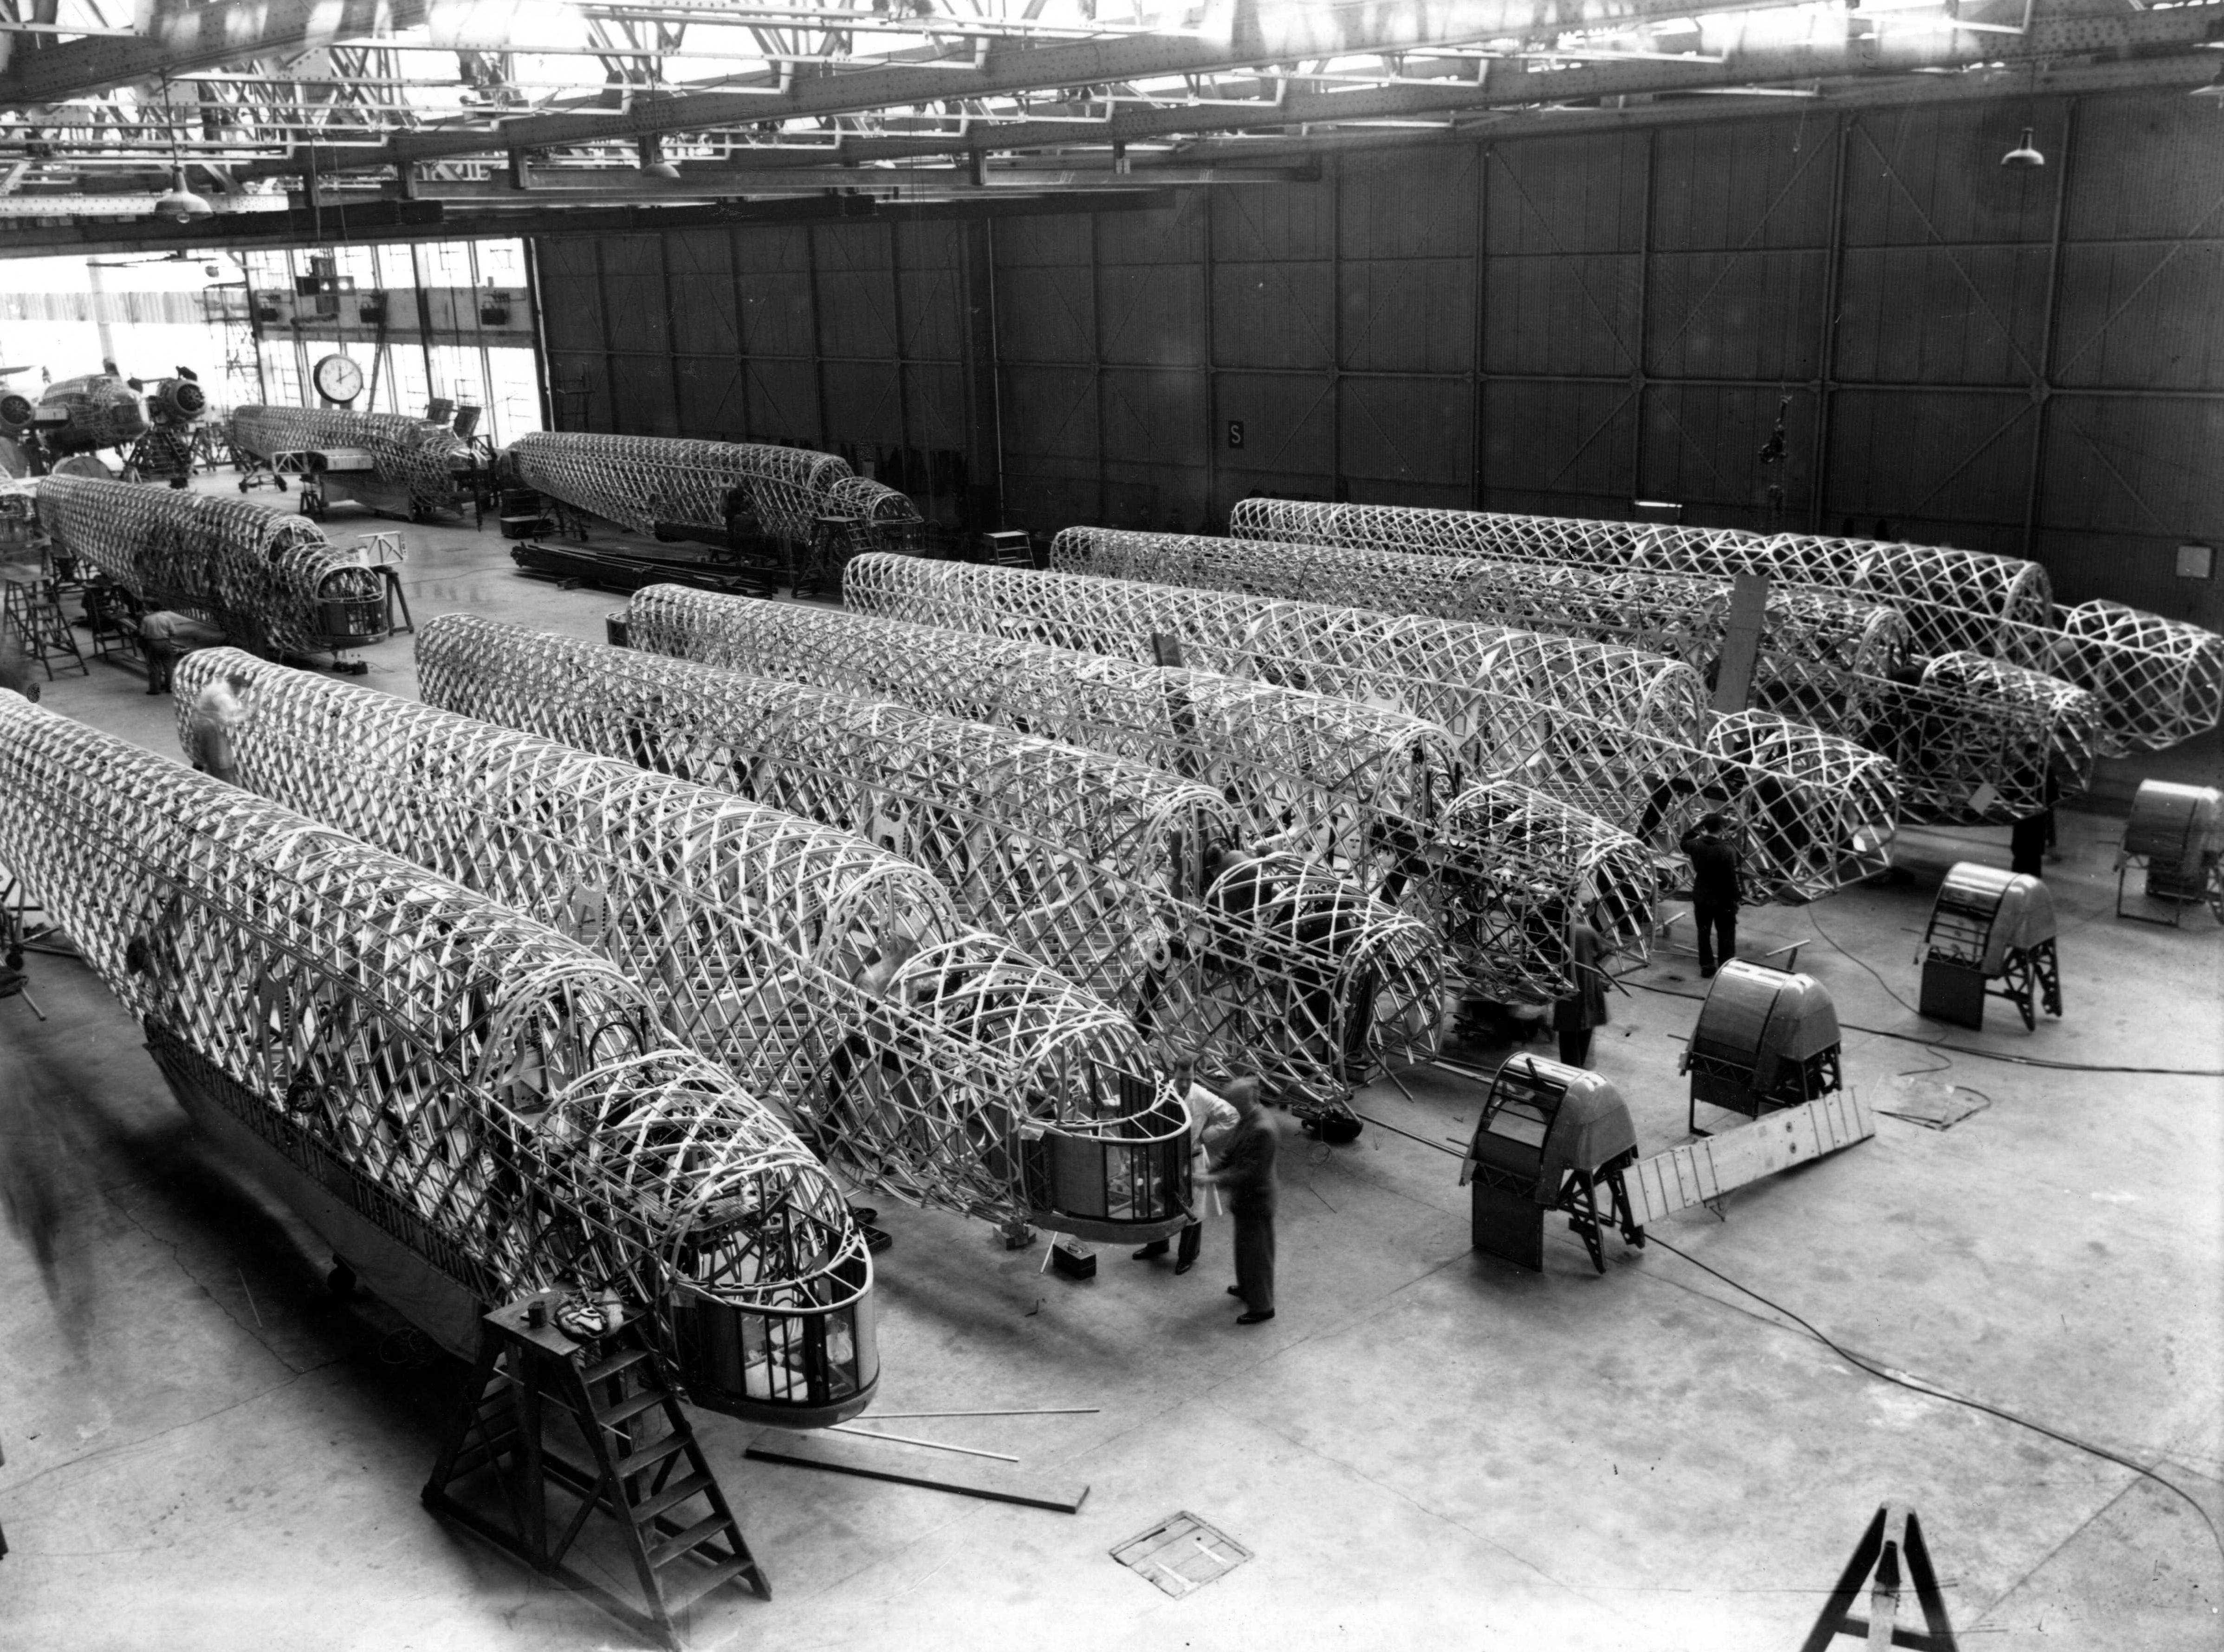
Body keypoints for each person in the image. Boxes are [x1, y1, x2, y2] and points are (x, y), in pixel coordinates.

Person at [1132, 1053, 1239, 1274]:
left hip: (1192, 1159)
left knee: (1193, 1211)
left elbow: (1232, 1116)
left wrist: (1204, 1137)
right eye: (1181, 1079)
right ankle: (1157, 1245)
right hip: (1165, 1158)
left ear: (1195, 1076)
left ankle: (1188, 1256)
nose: (1184, 1084)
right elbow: (1135, 1102)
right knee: (1160, 1204)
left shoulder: (1202, 1096)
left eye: (1189, 1079)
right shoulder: (1163, 1090)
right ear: (1174, 1075)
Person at [1195, 1075, 1277, 1324]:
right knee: (1245, 1250)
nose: (1231, 1105)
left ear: (1248, 1100)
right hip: (1246, 1200)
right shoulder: (1248, 1118)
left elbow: (1249, 1172)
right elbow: (1231, 1152)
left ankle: (1263, 1306)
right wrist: (1212, 1169)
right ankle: (1248, 1288)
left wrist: (1213, 1180)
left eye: (1235, 1101)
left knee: (1257, 1255)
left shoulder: (1263, 1129)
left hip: (1257, 1200)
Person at [1679, 811, 1743, 978]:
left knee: (1704, 932)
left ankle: (1707, 966)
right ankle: (1726, 968)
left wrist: (1694, 827)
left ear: (1704, 827)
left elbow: (1683, 843)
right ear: (1722, 829)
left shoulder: (1696, 845)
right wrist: (1736, 899)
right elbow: (1731, 879)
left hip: (1702, 896)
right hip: (1723, 899)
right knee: (1726, 935)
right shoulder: (1727, 851)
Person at [1552, 916, 1608, 1068]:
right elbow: (1601, 952)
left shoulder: (1558, 935)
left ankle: (1572, 1072)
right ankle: (1580, 1068)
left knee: (1568, 1035)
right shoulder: (1588, 931)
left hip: (1569, 985)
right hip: (1589, 983)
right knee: (1585, 1028)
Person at [184, 667, 255, 785]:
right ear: (235, 686)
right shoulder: (223, 696)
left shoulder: (217, 687)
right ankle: (219, 786)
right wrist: (249, 713)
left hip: (200, 725)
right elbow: (229, 717)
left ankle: (194, 781)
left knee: (203, 758)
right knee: (217, 762)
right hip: (209, 729)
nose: (239, 693)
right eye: (241, 689)